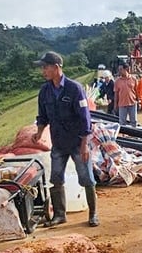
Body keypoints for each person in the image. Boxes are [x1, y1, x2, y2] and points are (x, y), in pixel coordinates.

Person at [31, 51, 99, 227]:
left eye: (45, 67)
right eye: (42, 68)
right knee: (56, 178)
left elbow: (85, 119)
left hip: (77, 143)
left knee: (86, 178)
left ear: (56, 67)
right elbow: (42, 116)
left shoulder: (74, 88)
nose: (43, 71)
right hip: (59, 143)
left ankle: (93, 214)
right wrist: (39, 133)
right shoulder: (45, 91)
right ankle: (60, 215)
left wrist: (84, 146)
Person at [113, 62, 139, 127]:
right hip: (122, 104)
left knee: (133, 121)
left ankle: (134, 136)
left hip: (132, 103)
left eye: (121, 69)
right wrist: (115, 105)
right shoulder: (117, 81)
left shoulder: (134, 79)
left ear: (126, 69)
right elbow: (116, 94)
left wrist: (139, 101)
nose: (119, 71)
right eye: (119, 70)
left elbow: (137, 91)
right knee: (122, 123)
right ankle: (123, 136)